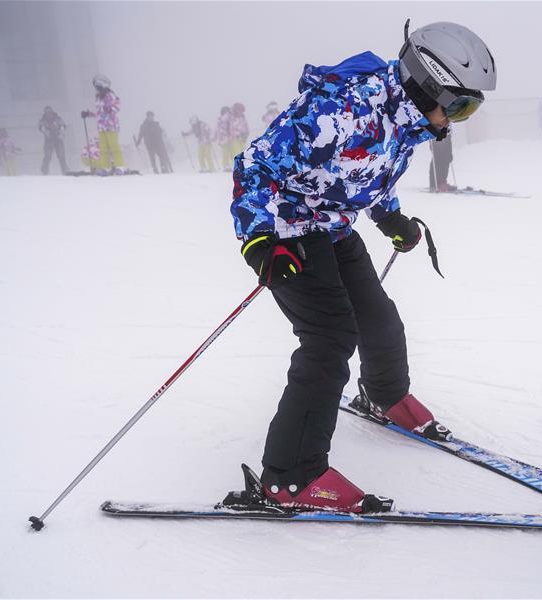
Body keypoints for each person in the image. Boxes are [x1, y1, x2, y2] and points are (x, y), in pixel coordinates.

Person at [230, 21, 496, 513]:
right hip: (290, 230)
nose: (457, 118)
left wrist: (390, 215)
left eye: (470, 108)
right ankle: (289, 477)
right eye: (458, 104)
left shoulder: (405, 118)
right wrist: (259, 240)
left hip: (334, 226)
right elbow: (255, 166)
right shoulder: (340, 110)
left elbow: (366, 170)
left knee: (379, 319)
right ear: (425, 83)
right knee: (331, 337)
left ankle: (383, 395)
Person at [82, 74, 126, 175]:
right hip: (101, 127)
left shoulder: (110, 95)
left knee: (114, 146)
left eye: (98, 87)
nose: (97, 89)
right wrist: (88, 114)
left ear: (102, 85)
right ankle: (105, 167)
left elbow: (117, 104)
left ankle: (120, 166)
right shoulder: (98, 98)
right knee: (103, 148)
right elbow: (99, 113)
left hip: (111, 125)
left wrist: (111, 109)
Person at [38, 105, 69, 175]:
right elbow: (40, 126)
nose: (49, 114)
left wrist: (61, 132)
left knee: (61, 155)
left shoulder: (57, 118)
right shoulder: (43, 120)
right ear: (45, 113)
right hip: (49, 140)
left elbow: (63, 125)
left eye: (50, 112)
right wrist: (45, 131)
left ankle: (64, 170)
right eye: (47, 112)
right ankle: (44, 170)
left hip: (58, 138)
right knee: (47, 155)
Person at [214, 106, 234, 172]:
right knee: (230, 152)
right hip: (227, 138)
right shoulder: (229, 117)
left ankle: (227, 166)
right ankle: (233, 165)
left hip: (224, 139)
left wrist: (217, 138)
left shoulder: (220, 119)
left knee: (226, 153)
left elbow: (218, 130)